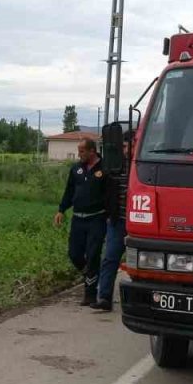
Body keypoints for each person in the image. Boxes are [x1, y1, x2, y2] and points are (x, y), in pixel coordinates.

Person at [54, 138, 106, 306]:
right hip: (78, 219)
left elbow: (110, 193)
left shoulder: (105, 168)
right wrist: (61, 210)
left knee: (93, 255)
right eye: (79, 150)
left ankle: (90, 294)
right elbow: (69, 191)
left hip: (97, 218)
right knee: (74, 254)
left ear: (92, 151)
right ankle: (90, 275)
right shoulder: (76, 169)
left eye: (82, 151)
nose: (79, 154)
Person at [93, 128, 132, 312]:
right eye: (123, 146)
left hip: (139, 223)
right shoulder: (114, 165)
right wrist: (108, 215)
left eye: (127, 146)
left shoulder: (143, 164)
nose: (125, 150)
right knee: (109, 258)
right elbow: (106, 191)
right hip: (118, 220)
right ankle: (104, 297)